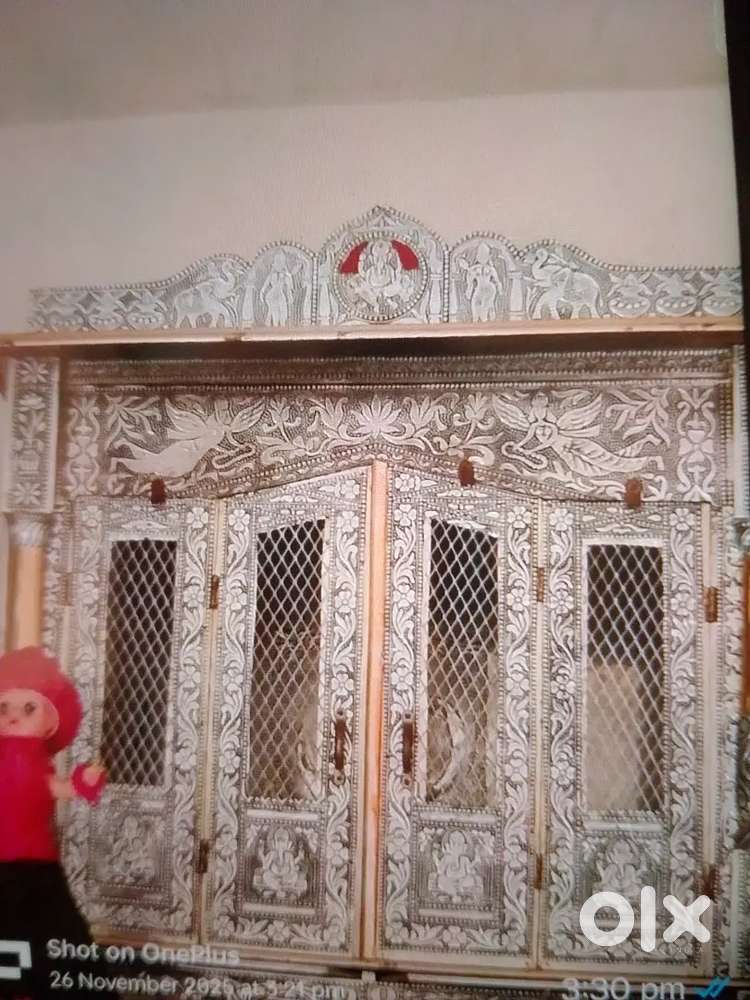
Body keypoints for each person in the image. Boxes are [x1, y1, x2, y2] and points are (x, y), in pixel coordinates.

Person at [0, 646, 109, 1000]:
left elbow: (61, 788)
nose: (12, 717)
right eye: (3, 708)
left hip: (35, 868)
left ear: (52, 721)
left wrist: (84, 781)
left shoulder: (39, 770)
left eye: (28, 708)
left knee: (46, 931)